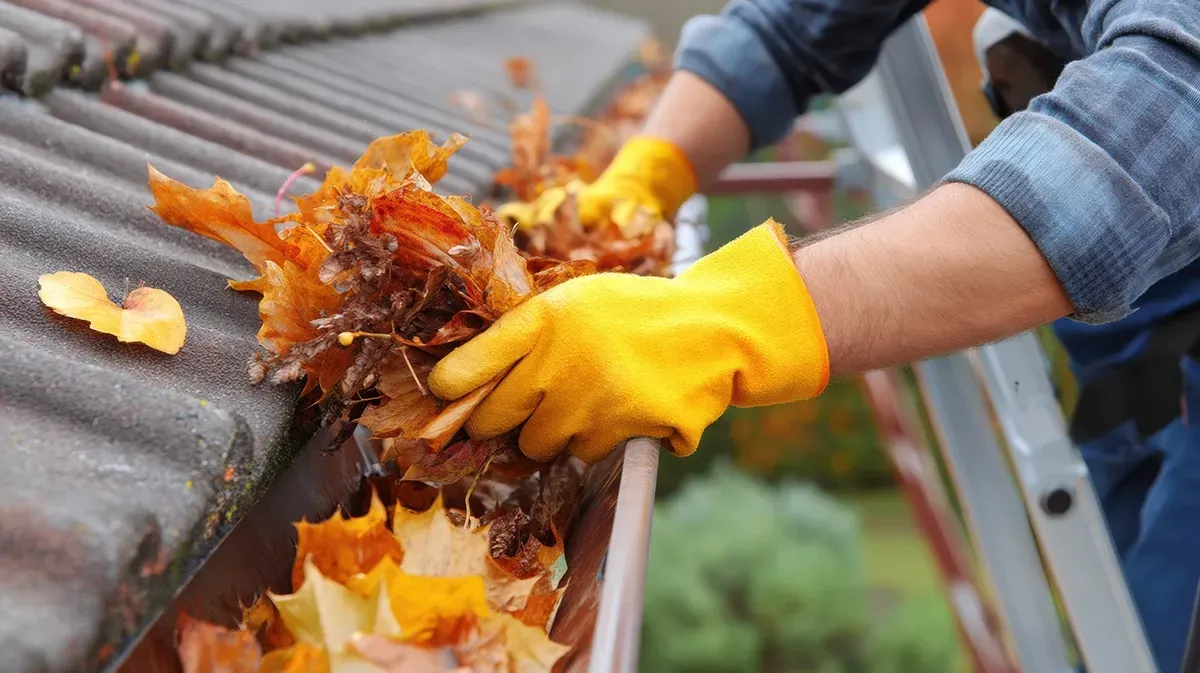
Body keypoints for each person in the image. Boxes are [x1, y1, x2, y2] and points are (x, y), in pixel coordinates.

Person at [428, 2, 1200, 670]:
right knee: (1123, 593)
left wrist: (734, 319)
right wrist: (647, 172)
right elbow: (790, 25)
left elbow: (1169, 112)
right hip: (1143, 341)